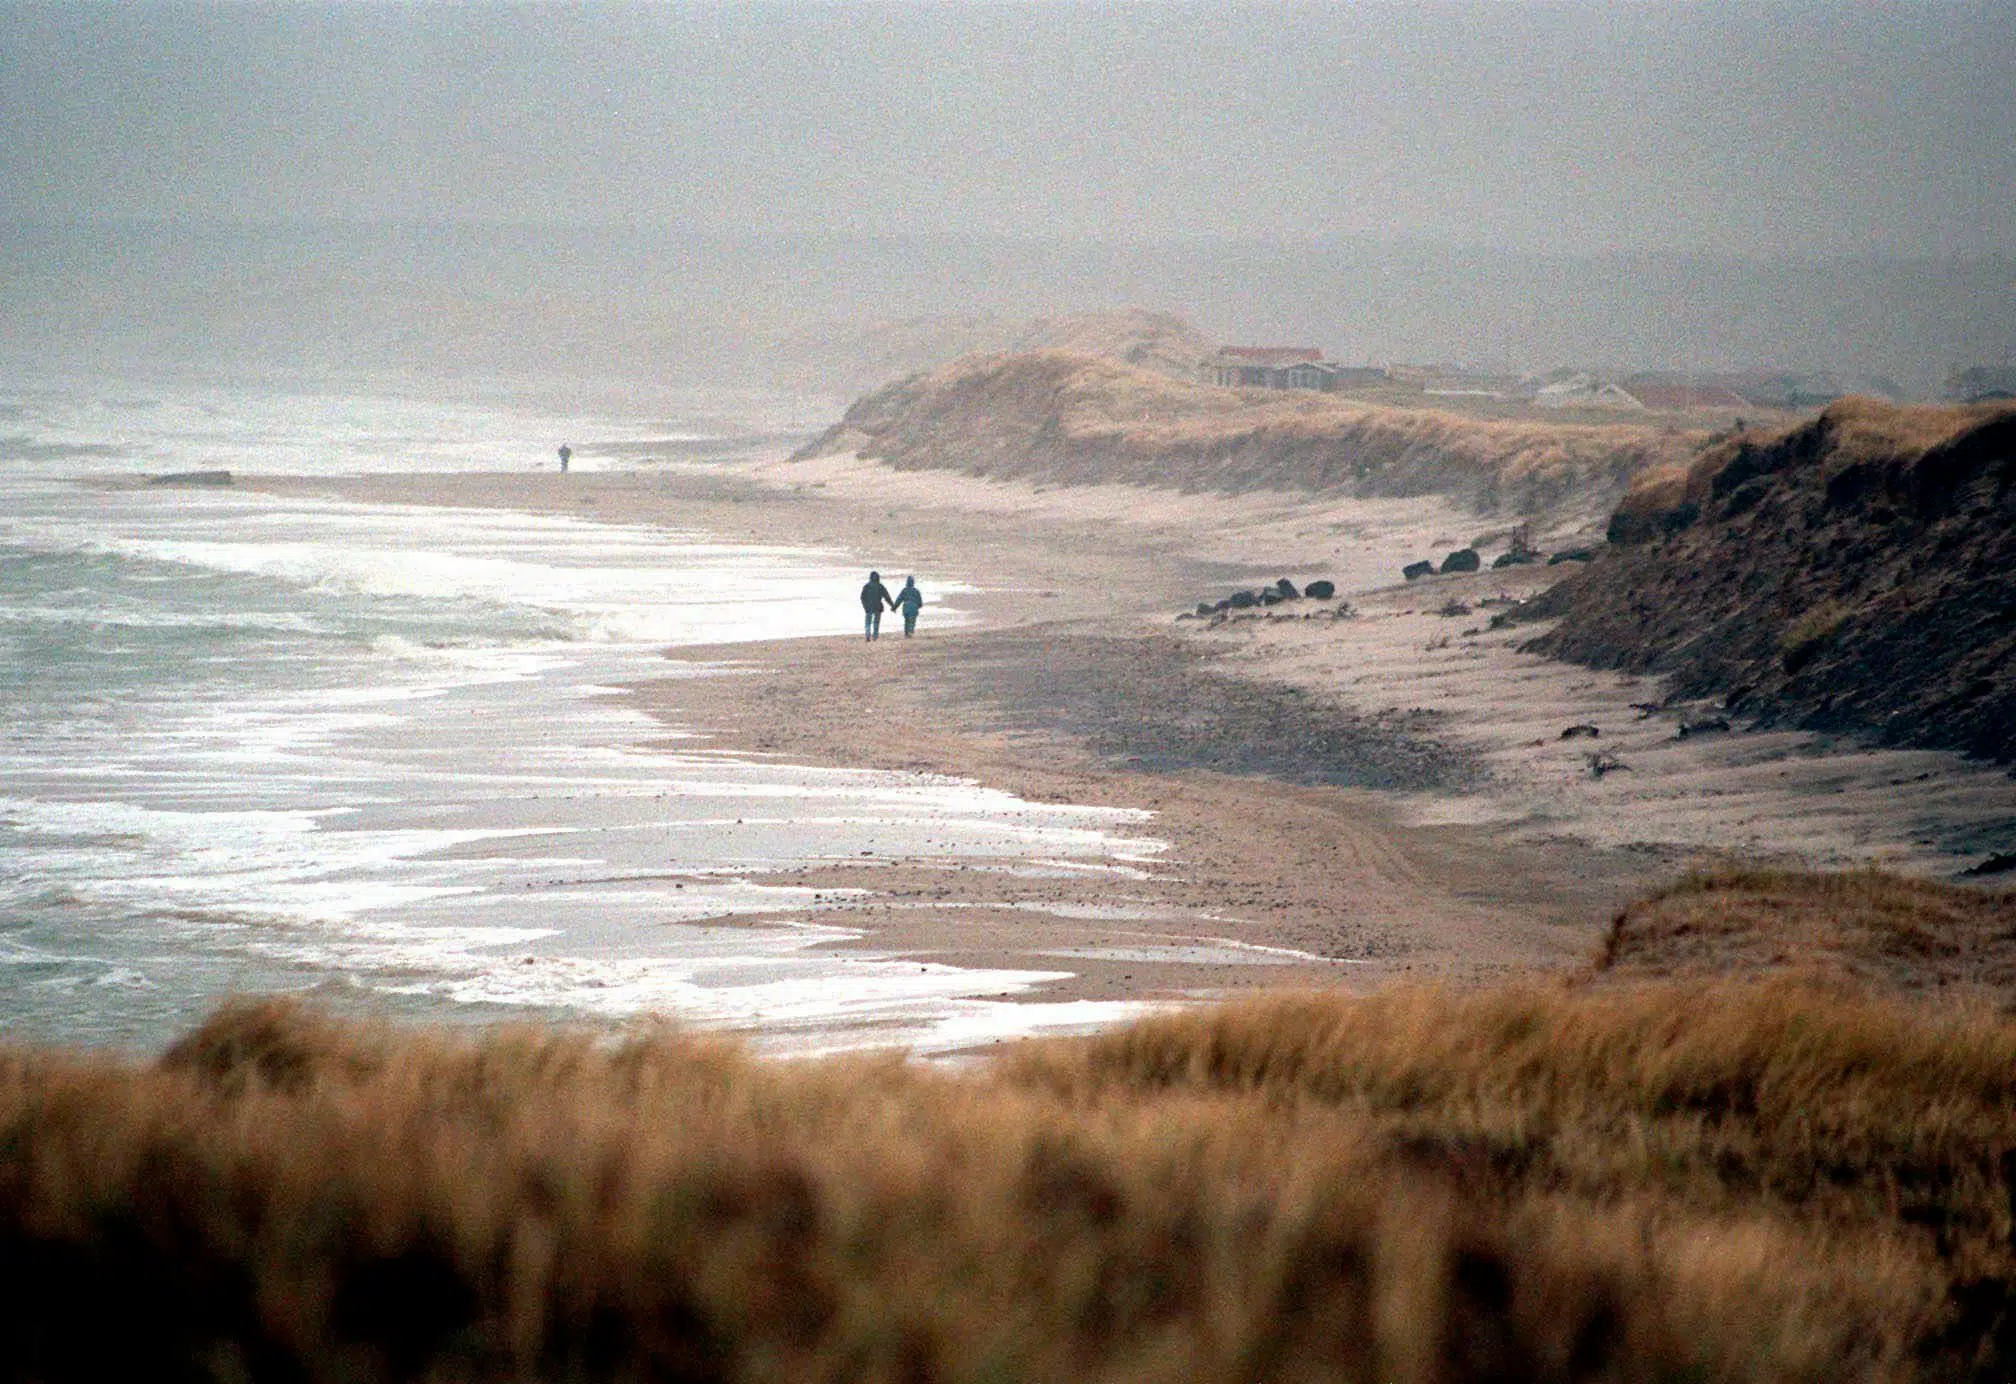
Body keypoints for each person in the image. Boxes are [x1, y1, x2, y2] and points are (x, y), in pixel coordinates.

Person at [859, 570, 894, 640]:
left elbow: (862, 597)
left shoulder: (867, 586)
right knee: (876, 623)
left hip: (868, 607)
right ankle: (875, 636)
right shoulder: (880, 586)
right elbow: (887, 597)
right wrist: (893, 606)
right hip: (878, 607)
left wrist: (865, 606)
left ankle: (868, 635)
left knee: (868, 623)